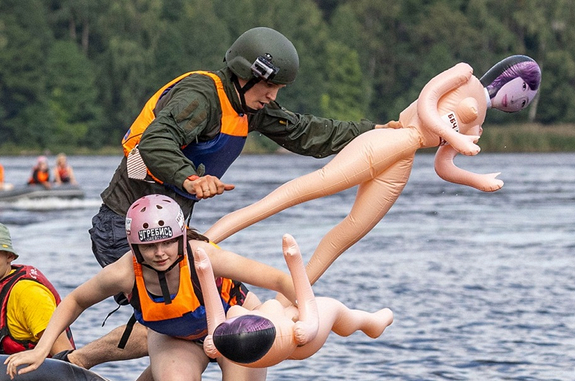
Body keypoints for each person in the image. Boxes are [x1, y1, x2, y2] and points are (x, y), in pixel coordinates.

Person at [72, 27, 391, 381]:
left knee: (206, 319)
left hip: (173, 234)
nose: (272, 97)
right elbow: (155, 141)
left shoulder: (247, 107)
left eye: (278, 90)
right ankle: (80, 361)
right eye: (268, 87)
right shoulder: (200, 97)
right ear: (244, 74)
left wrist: (373, 134)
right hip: (124, 228)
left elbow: (305, 133)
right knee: (179, 320)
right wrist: (190, 179)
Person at [5, 195, 301, 381]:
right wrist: (40, 350)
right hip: (176, 337)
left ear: (181, 237)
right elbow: (75, 301)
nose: (160, 253)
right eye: (149, 247)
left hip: (231, 326)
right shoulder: (124, 272)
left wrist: (307, 310)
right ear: (134, 246)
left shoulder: (203, 255)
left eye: (168, 242)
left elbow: (278, 279)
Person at [204, 56, 542, 284]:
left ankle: (297, 295)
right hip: (390, 139)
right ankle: (208, 240)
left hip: (402, 162)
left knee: (352, 229)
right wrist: (454, 134)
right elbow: (426, 102)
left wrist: (476, 179)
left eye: (525, 101)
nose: (520, 102)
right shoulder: (463, 75)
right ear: (511, 79)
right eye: (524, 92)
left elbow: (443, 165)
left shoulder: (476, 126)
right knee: (310, 187)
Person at [195, 233, 393, 368]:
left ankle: (372, 322)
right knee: (339, 313)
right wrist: (294, 260)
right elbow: (308, 309)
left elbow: (215, 321)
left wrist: (205, 273)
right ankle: (374, 322)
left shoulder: (225, 339)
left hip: (261, 345)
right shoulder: (290, 333)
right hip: (302, 343)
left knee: (246, 310)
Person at [0, 221, 73, 357]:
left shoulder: (29, 294)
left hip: (38, 377)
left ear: (9, 257)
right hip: (4, 375)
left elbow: (67, 359)